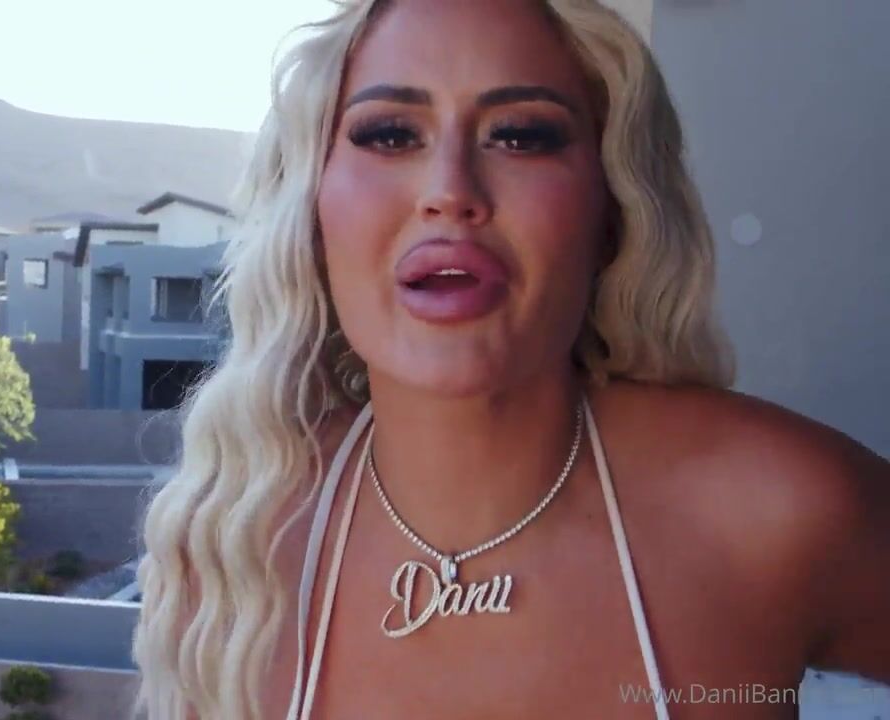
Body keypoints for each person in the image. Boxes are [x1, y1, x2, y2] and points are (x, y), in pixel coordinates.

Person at [131, 0, 890, 717]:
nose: (450, 191)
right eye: (390, 134)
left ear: (611, 208)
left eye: (521, 135)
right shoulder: (233, 547)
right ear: (310, 204)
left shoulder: (774, 509)